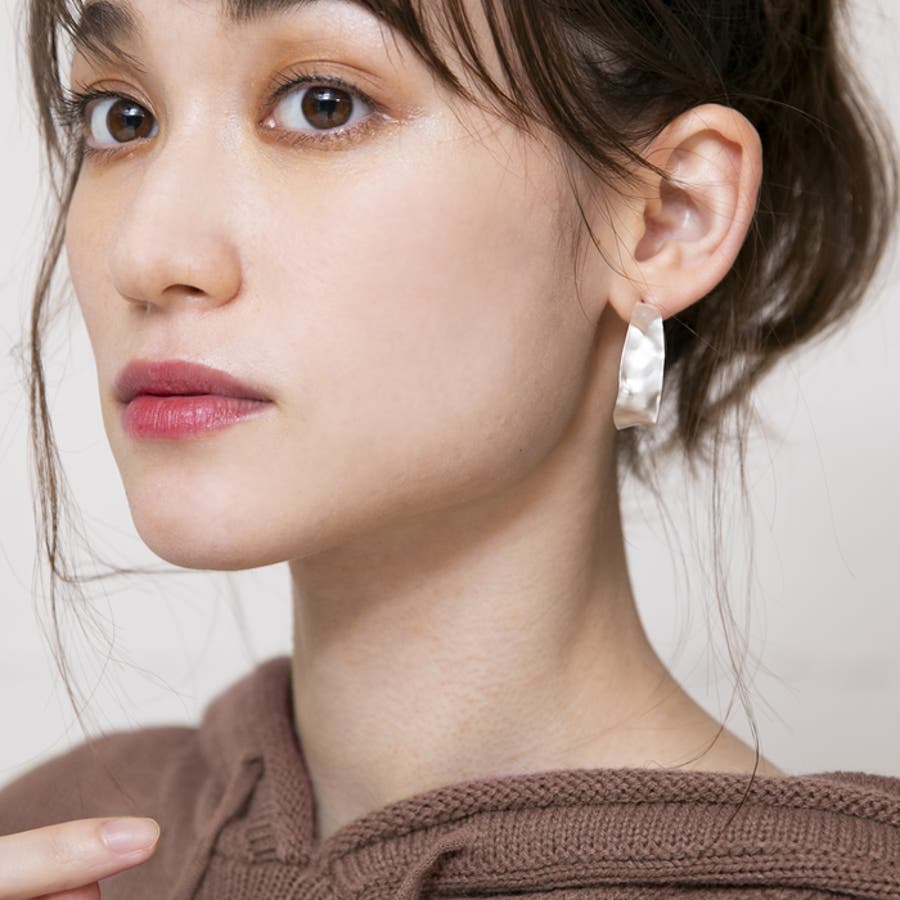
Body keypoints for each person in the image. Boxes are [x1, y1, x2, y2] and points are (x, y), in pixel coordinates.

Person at [1, 0, 898, 897]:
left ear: (670, 216)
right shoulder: (65, 844)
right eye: (122, 117)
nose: (146, 254)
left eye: (323, 104)